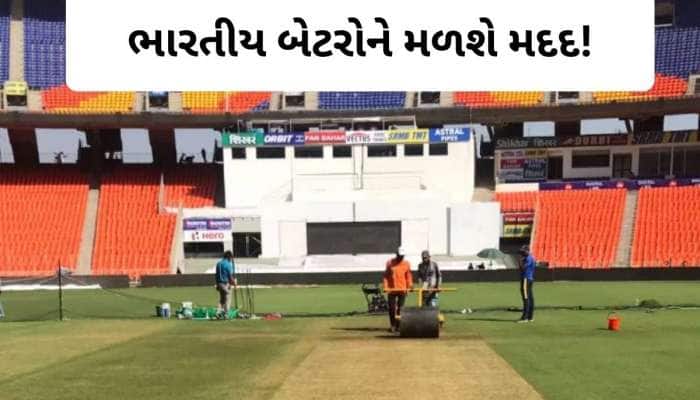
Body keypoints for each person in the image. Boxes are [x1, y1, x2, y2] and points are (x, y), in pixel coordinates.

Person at [383, 246, 413, 332]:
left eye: (402, 256)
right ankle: (393, 325)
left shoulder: (406, 264)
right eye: (400, 255)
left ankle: (399, 326)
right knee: (392, 308)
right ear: (396, 254)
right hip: (392, 289)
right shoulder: (390, 263)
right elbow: (386, 276)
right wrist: (385, 287)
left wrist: (410, 285)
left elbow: (408, 276)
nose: (401, 257)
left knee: (401, 308)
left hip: (402, 289)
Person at [215, 251, 237, 319]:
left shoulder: (218, 263)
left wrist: (217, 284)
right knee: (228, 298)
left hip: (219, 283)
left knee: (222, 299)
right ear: (229, 257)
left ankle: (218, 312)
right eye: (231, 257)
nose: (231, 259)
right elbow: (230, 277)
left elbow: (216, 275)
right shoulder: (228, 264)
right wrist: (234, 283)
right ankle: (226, 314)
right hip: (225, 283)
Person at [517, 245, 536, 323]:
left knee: (526, 298)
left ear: (527, 251)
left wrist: (519, 261)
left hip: (526, 279)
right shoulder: (531, 257)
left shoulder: (528, 258)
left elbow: (523, 268)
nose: (522, 253)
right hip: (530, 279)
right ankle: (530, 317)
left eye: (523, 251)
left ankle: (524, 318)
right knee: (530, 298)